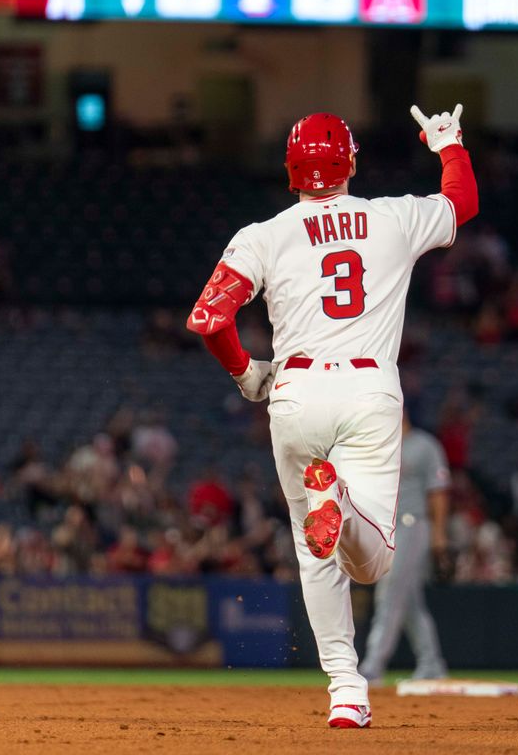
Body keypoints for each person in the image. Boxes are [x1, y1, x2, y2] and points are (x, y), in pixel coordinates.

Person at [186, 106, 477, 728]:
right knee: (372, 564)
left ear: (291, 172)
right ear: (351, 163)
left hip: (294, 393)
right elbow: (462, 203)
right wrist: (448, 144)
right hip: (370, 391)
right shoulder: (391, 216)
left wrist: (246, 373)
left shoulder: (263, 233)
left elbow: (209, 319)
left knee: (313, 554)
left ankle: (346, 690)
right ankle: (341, 504)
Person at [358, 408, 451, 685]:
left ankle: (373, 666)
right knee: (408, 600)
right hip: (385, 526)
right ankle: (431, 663)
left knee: (389, 594)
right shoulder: (380, 444)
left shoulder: (425, 445)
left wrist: (438, 533)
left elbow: (438, 491)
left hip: (413, 524)